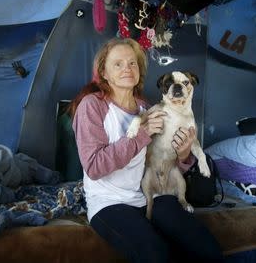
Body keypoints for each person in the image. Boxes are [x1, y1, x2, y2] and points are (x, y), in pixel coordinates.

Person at [69, 37, 224, 263]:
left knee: (204, 245)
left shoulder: (147, 108)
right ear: (104, 72)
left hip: (147, 195)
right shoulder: (93, 106)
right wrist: (142, 135)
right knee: (157, 254)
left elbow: (161, 159)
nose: (127, 69)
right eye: (118, 64)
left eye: (133, 63)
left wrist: (183, 156)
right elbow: (94, 167)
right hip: (109, 203)